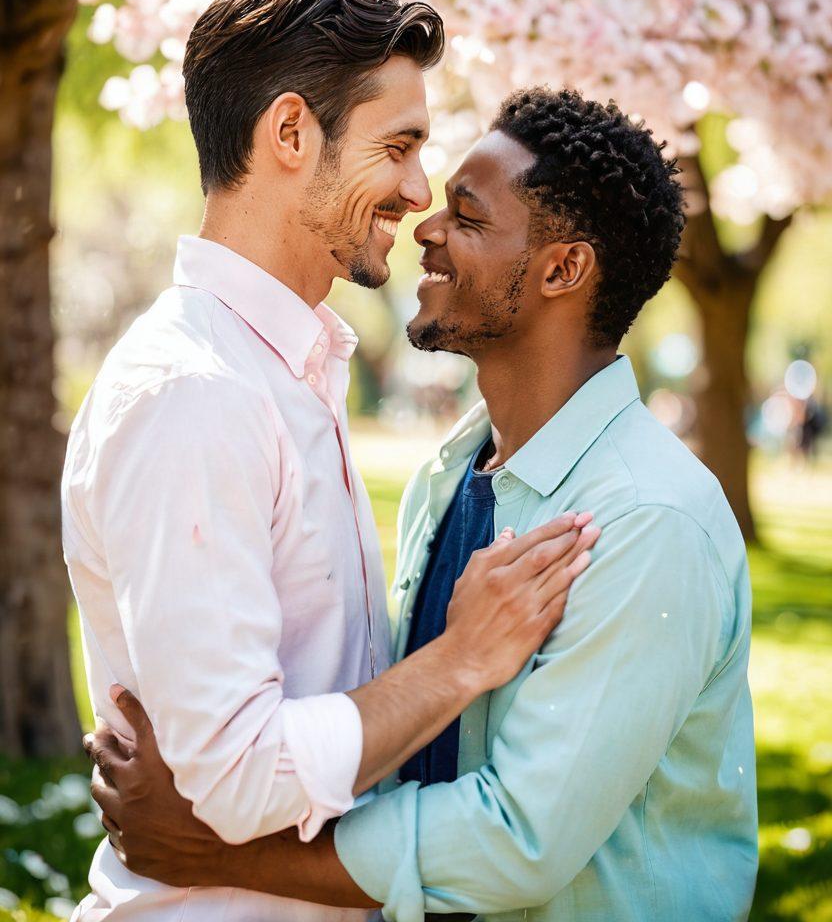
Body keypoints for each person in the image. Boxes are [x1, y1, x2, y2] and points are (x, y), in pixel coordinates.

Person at [89, 87, 758, 922]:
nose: (424, 229)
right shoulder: (446, 476)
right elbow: (410, 749)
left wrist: (219, 850)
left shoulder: (647, 520)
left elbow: (517, 841)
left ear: (562, 269)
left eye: (467, 219)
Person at [63, 0, 599, 922]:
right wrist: (457, 663)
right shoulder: (196, 394)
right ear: (290, 134)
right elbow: (234, 777)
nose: (418, 191)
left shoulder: (287, 369)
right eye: (396, 148)